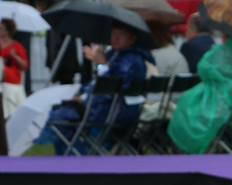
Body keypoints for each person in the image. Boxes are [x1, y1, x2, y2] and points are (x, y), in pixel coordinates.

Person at [34, 22, 154, 154]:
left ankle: (75, 161)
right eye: (113, 33)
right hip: (121, 112)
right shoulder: (123, 57)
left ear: (132, 37)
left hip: (110, 113)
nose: (115, 38)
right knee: (64, 114)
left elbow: (110, 88)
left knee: (60, 117)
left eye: (121, 35)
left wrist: (101, 65)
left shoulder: (129, 60)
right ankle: (75, 159)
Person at [0, 18, 28, 119]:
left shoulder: (16, 46)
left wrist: (15, 56)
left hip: (11, 76)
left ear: (7, 31)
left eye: (1, 29)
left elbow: (24, 66)